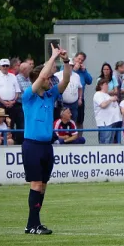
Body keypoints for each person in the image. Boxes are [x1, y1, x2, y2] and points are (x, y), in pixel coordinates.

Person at [22, 44, 71, 235]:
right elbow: (43, 76)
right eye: (49, 78)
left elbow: (66, 80)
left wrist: (65, 60)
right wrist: (53, 57)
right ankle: (32, 225)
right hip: (32, 146)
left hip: (46, 146)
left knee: (42, 186)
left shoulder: (50, 96)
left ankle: (34, 223)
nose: (51, 80)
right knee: (35, 184)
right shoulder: (29, 96)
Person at [0, 59, 23, 143]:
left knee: (10, 123)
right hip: (0, 102)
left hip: (11, 103)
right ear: (0, 66)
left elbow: (17, 91)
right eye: (3, 66)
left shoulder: (13, 76)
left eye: (6, 65)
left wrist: (13, 101)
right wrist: (3, 102)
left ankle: (9, 141)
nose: (5, 67)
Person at [93, 79, 122, 144]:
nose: (108, 86)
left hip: (113, 121)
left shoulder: (107, 95)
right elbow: (103, 105)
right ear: (101, 85)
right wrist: (111, 99)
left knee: (111, 141)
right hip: (105, 122)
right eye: (106, 84)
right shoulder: (98, 94)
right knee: (105, 141)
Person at [72, 51, 93, 133]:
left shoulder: (83, 71)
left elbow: (89, 81)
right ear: (75, 58)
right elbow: (65, 77)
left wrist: (84, 71)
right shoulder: (68, 66)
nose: (80, 61)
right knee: (71, 119)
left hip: (80, 99)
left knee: (80, 120)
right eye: (79, 59)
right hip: (70, 98)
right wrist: (74, 70)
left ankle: (79, 140)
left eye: (82, 60)